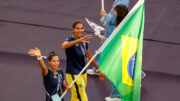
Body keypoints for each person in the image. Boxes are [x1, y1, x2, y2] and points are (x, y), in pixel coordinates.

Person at [61, 20, 104, 101]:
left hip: (83, 73)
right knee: (82, 98)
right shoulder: (70, 40)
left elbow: (89, 56)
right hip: (73, 75)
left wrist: (98, 68)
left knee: (76, 97)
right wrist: (78, 40)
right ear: (73, 30)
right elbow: (63, 46)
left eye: (81, 28)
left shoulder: (84, 41)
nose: (80, 30)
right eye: (77, 28)